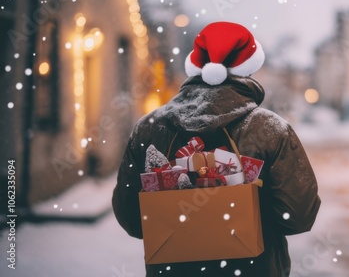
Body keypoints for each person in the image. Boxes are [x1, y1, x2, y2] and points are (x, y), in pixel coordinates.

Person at [112, 21, 321, 276]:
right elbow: (298, 216)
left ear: (195, 67)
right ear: (248, 70)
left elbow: (132, 220)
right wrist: (243, 215)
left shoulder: (148, 128)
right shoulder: (271, 129)